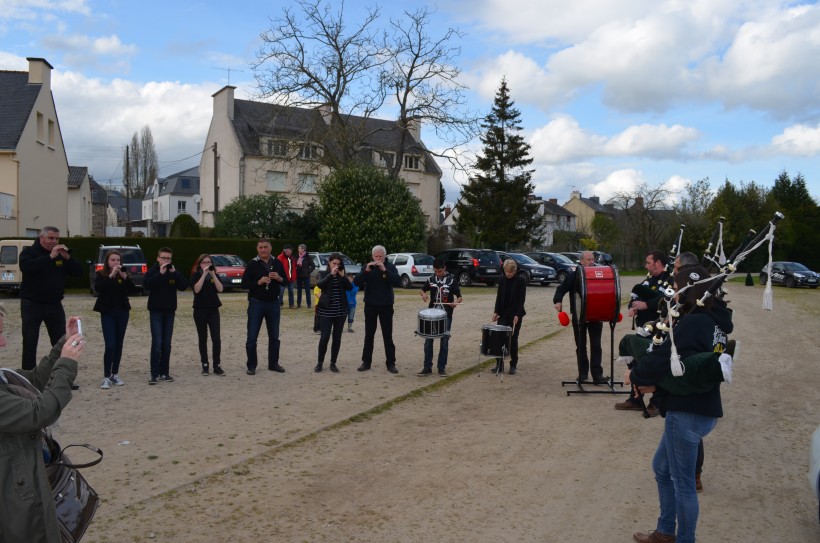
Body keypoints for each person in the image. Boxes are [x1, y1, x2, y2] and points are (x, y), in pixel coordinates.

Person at [627, 265, 733, 543]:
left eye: (676, 286)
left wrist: (637, 375)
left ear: (688, 289)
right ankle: (665, 531)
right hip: (699, 408)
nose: (673, 291)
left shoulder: (694, 322)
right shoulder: (713, 320)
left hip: (688, 411)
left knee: (683, 484)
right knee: (662, 469)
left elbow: (663, 358)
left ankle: (685, 539)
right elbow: (683, 364)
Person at [0, 307, 84, 543]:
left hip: (22, 489)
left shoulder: (2, 376)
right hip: (14, 502)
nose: (4, 342)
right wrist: (67, 363)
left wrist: (62, 345)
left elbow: (33, 381)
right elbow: (40, 412)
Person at [18, 226, 84, 372]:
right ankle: (28, 376)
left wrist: (68, 258)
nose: (54, 241)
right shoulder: (29, 252)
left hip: (54, 305)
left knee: (60, 342)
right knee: (30, 341)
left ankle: (62, 374)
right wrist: (49, 258)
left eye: (56, 238)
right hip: (32, 304)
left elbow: (79, 272)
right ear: (41, 238)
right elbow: (26, 267)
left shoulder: (61, 255)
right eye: (50, 238)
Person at [615, 249, 671, 413]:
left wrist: (646, 305)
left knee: (656, 364)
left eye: (648, 262)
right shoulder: (648, 280)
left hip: (659, 329)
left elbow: (665, 300)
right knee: (636, 362)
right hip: (643, 328)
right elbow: (635, 296)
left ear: (658, 263)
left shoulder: (669, 280)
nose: (645, 265)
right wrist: (634, 307)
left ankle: (656, 402)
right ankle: (635, 398)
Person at [553, 250, 608, 384]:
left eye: (592, 259)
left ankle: (597, 375)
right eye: (588, 259)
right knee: (581, 346)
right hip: (579, 316)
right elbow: (561, 289)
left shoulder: (598, 273)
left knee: (596, 346)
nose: (591, 262)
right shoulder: (574, 275)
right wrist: (558, 301)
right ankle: (583, 374)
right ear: (581, 261)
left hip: (596, 315)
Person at [144, 247, 189, 385]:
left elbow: (184, 286)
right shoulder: (153, 271)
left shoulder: (172, 272)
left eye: (168, 258)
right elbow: (147, 285)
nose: (166, 260)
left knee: (167, 344)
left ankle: (165, 372)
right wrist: (160, 274)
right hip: (156, 311)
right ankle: (154, 374)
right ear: (158, 258)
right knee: (157, 343)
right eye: (163, 258)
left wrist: (175, 273)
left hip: (170, 312)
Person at [354, 245, 401, 373]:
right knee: (369, 335)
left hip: (386, 305)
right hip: (370, 305)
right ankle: (366, 362)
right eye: (376, 256)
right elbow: (357, 282)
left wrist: (384, 270)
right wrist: (366, 271)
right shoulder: (367, 267)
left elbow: (397, 281)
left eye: (381, 256)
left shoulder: (390, 267)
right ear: (372, 256)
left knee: (387, 335)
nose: (378, 258)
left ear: (385, 257)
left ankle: (391, 363)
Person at [242, 239, 286, 375]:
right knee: (252, 336)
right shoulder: (252, 264)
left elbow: (287, 281)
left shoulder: (277, 263)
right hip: (257, 303)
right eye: (260, 247)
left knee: (274, 336)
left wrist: (279, 278)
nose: (263, 250)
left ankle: (273, 364)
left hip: (273, 303)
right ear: (257, 249)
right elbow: (244, 284)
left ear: (270, 248)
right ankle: (251, 365)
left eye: (265, 247)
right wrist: (259, 281)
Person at [93, 250, 133, 389]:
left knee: (118, 344)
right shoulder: (101, 275)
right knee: (110, 345)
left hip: (122, 312)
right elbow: (98, 288)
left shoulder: (124, 274)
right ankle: (106, 376)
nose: (116, 263)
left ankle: (114, 373)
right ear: (107, 262)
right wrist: (111, 275)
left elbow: (133, 289)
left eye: (118, 260)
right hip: (108, 313)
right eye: (113, 260)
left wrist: (123, 276)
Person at [417, 258, 463, 377]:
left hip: (446, 315)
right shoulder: (431, 279)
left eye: (440, 271)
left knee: (444, 341)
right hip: (432, 315)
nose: (438, 273)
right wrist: (423, 294)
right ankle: (427, 367)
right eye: (436, 271)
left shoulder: (452, 280)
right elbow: (422, 290)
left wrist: (455, 303)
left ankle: (441, 368)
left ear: (444, 268)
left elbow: (459, 296)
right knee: (428, 340)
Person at [314, 253, 353, 373]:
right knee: (324, 337)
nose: (336, 265)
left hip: (340, 311)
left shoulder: (342, 275)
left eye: (338, 264)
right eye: (334, 263)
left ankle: (333, 363)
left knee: (337, 338)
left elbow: (349, 287)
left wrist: (343, 276)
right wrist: (331, 274)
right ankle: (320, 363)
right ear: (329, 263)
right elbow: (319, 285)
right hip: (326, 310)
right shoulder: (324, 274)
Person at [491, 258, 527, 375]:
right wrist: (496, 312)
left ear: (515, 271)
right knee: (500, 338)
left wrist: (517, 314)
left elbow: (521, 300)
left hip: (516, 314)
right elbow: (499, 297)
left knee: (513, 339)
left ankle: (513, 364)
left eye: (510, 272)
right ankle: (499, 364)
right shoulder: (502, 280)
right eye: (506, 271)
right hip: (503, 314)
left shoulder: (521, 281)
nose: (508, 274)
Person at [191, 254, 224, 376]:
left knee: (216, 338)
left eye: (209, 262)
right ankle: (205, 364)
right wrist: (204, 274)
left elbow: (220, 289)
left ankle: (217, 365)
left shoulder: (214, 275)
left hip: (213, 310)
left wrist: (213, 274)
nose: (206, 264)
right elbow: (196, 289)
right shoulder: (196, 275)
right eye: (204, 262)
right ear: (200, 264)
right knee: (202, 338)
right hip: (200, 310)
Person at [295, 244, 316, 309]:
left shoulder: (308, 257)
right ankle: (298, 304)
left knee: (307, 290)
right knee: (299, 290)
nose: (298, 249)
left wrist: (308, 271)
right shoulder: (297, 256)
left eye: (299, 248)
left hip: (306, 276)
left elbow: (313, 266)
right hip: (298, 275)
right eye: (298, 248)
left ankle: (309, 304)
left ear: (303, 249)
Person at [277, 244, 297, 309]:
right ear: (286, 250)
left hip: (290, 278)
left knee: (291, 291)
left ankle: (291, 305)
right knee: (281, 292)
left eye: (291, 250)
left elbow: (293, 267)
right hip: (283, 278)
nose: (291, 251)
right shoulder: (280, 257)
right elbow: (278, 268)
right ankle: (279, 304)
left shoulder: (292, 258)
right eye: (290, 250)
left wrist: (294, 276)